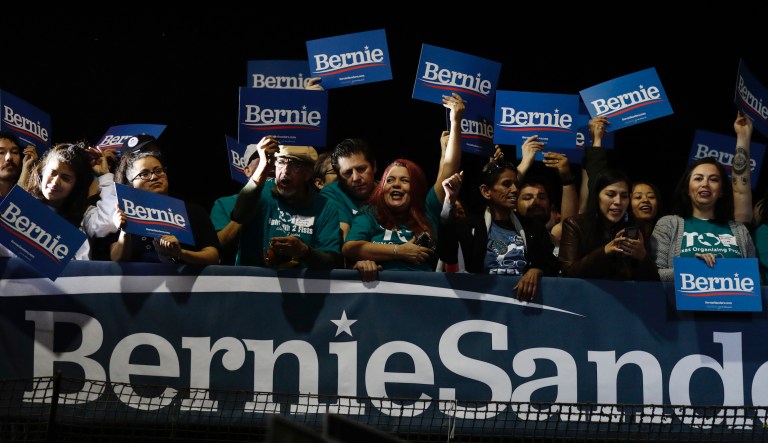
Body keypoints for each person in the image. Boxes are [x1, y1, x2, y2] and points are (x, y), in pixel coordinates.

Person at [342, 93, 464, 280]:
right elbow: (350, 248)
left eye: (404, 181)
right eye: (389, 181)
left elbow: (449, 168)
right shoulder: (370, 213)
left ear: (415, 188)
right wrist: (399, 251)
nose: (396, 185)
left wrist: (455, 122)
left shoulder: (428, 209)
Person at [439, 159, 561, 300]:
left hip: (522, 308)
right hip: (481, 306)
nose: (515, 189)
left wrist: (537, 270)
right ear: (486, 191)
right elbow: (447, 252)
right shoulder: (469, 227)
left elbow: (552, 263)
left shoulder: (533, 228)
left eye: (516, 184)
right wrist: (449, 201)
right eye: (506, 184)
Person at [230, 138, 343, 269]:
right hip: (255, 284)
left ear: (308, 173)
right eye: (281, 162)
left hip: (302, 287)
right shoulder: (260, 192)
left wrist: (304, 252)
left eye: (295, 165)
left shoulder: (325, 207)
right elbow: (239, 216)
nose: (285, 170)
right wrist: (262, 166)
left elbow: (333, 261)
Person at [107, 149, 220, 265]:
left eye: (158, 171)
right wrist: (125, 231)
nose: (154, 177)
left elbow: (213, 256)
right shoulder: (122, 213)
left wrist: (180, 253)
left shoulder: (193, 211)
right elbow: (116, 259)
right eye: (144, 174)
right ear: (131, 184)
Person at [652, 157, 755, 282]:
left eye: (713, 179)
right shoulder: (668, 225)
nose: (705, 184)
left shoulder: (740, 230)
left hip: (733, 300)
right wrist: (695, 268)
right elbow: (654, 276)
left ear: (721, 191)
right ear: (687, 189)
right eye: (698, 178)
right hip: (682, 302)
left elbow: (755, 278)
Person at [559, 168, 658, 281]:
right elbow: (568, 273)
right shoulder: (575, 225)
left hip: (625, 297)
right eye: (611, 195)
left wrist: (643, 257)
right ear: (597, 196)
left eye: (624, 196)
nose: (618, 202)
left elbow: (653, 283)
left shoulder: (635, 228)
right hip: (585, 296)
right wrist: (604, 251)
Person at [14, 143, 94, 260]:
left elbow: (79, 271)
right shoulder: (18, 208)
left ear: (76, 186)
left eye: (65, 178)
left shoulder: (76, 230)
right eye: (52, 173)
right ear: (42, 172)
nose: (56, 181)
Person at [209, 142, 273, 265]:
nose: (270, 162)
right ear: (247, 170)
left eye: (274, 158)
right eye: (262, 156)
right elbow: (217, 246)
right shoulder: (225, 203)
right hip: (242, 276)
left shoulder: (289, 201)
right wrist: (247, 205)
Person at [0, 131, 38, 200]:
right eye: (1, 153)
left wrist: (26, 167)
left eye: (14, 152)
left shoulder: (33, 198)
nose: (9, 158)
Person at [630, 180, 662, 253]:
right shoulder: (623, 237)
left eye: (651, 197)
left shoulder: (669, 234)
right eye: (638, 197)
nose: (645, 200)